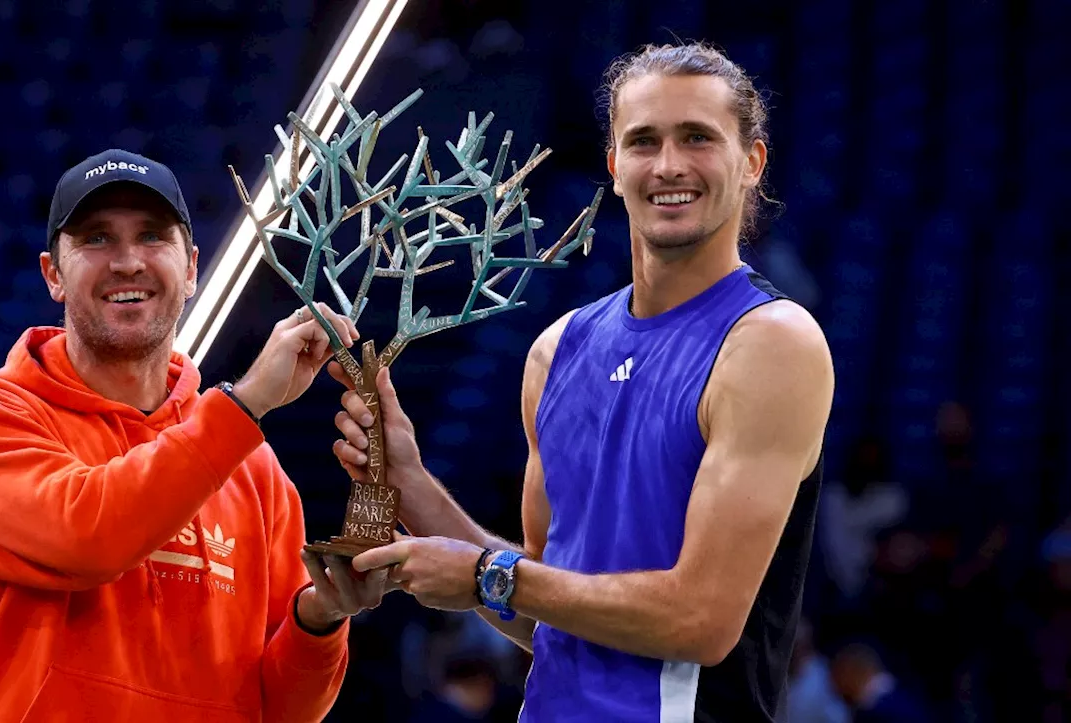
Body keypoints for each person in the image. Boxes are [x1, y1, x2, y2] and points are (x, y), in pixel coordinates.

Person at [330, 42, 835, 721]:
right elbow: (548, 614)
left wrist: (484, 575)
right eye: (643, 141)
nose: (668, 165)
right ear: (614, 165)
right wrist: (411, 481)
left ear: (752, 162)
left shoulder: (771, 343)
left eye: (697, 138)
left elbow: (701, 621)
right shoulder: (556, 351)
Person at [0, 148, 388, 722]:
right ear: (53, 275)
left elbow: (284, 710)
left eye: (150, 237)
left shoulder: (253, 469)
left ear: (190, 268)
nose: (126, 262)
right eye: (96, 239)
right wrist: (247, 403)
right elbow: (89, 536)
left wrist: (320, 618)